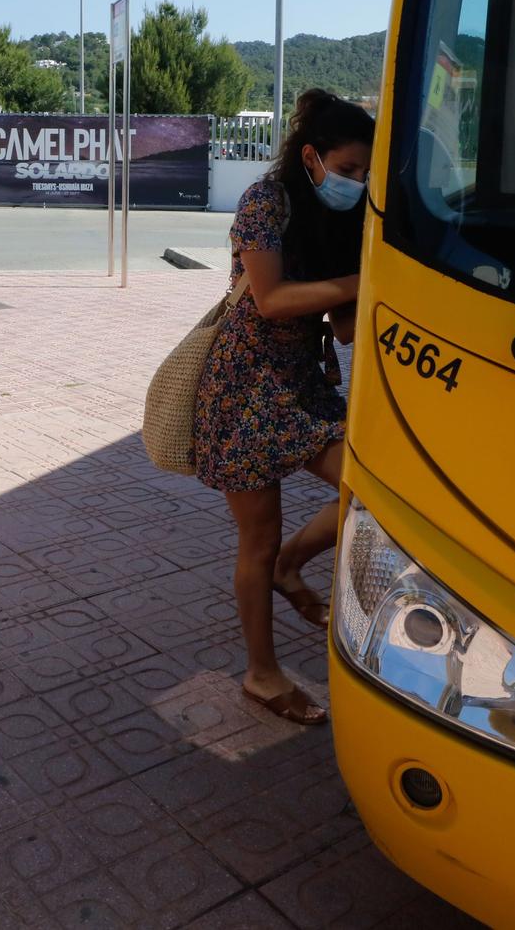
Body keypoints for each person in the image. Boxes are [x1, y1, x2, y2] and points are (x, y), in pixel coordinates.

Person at [193, 89, 374, 726]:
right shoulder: (265, 202)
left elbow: (346, 328)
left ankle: (293, 565)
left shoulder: (347, 221)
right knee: (256, 540)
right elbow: (269, 300)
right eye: (348, 170)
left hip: (300, 380)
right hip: (242, 386)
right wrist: (364, 280)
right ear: (311, 156)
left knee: (371, 488)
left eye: (365, 173)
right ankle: (263, 675)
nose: (356, 182)